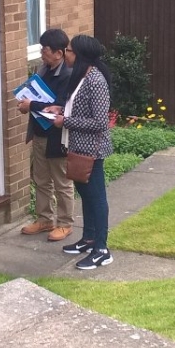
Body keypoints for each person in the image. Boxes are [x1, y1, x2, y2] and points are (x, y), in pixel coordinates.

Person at [48, 35, 114, 270]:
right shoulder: (81, 77)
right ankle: (88, 239)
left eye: (69, 50)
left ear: (80, 55)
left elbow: (99, 123)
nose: (66, 54)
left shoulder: (95, 81)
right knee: (86, 196)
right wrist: (59, 109)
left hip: (91, 152)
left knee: (97, 199)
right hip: (77, 148)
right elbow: (77, 108)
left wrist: (65, 121)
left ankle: (102, 249)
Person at [18, 29, 74, 241]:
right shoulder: (43, 69)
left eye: (45, 50)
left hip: (57, 136)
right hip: (40, 132)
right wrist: (25, 104)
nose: (42, 53)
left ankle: (65, 223)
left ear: (59, 53)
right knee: (41, 180)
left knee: (61, 182)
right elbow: (36, 96)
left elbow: (60, 106)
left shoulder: (68, 75)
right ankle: (44, 219)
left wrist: (32, 104)